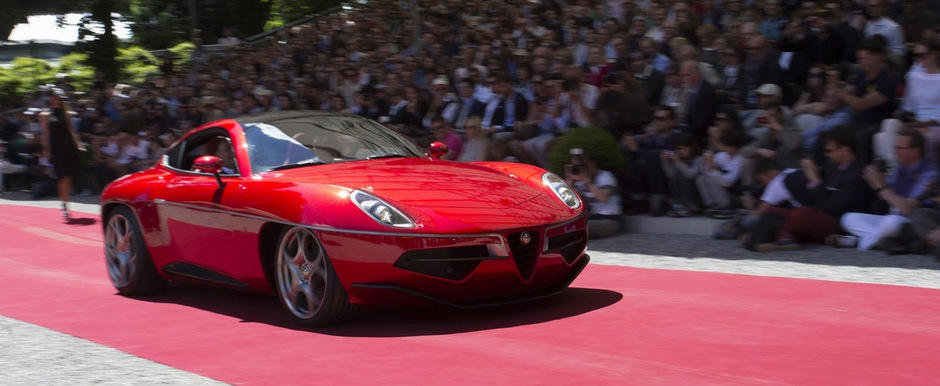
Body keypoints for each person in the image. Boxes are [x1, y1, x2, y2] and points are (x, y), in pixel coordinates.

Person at [836, 129, 939, 250]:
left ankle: (861, 242)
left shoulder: (930, 173)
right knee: (849, 218)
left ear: (916, 152)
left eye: (900, 148)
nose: (895, 152)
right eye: (895, 148)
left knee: (891, 222)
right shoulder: (899, 168)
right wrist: (878, 177)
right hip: (891, 220)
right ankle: (878, 241)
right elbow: (885, 197)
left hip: (912, 222)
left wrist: (880, 186)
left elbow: (908, 209)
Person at [40, 88, 83, 221]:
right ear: (50, 98)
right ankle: (64, 206)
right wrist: (46, 150)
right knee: (61, 177)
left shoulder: (66, 113)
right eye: (54, 97)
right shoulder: (44, 114)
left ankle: (66, 203)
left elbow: (71, 131)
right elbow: (45, 133)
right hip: (56, 148)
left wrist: (79, 144)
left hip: (68, 147)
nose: (56, 100)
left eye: (59, 98)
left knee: (68, 176)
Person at [565, 148, 622, 238]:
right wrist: (570, 180)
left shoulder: (606, 176)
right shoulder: (580, 181)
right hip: (592, 218)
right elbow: (570, 201)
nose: (582, 167)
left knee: (574, 227)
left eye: (584, 164)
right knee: (563, 226)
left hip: (609, 221)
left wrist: (587, 182)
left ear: (593, 164)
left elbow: (603, 198)